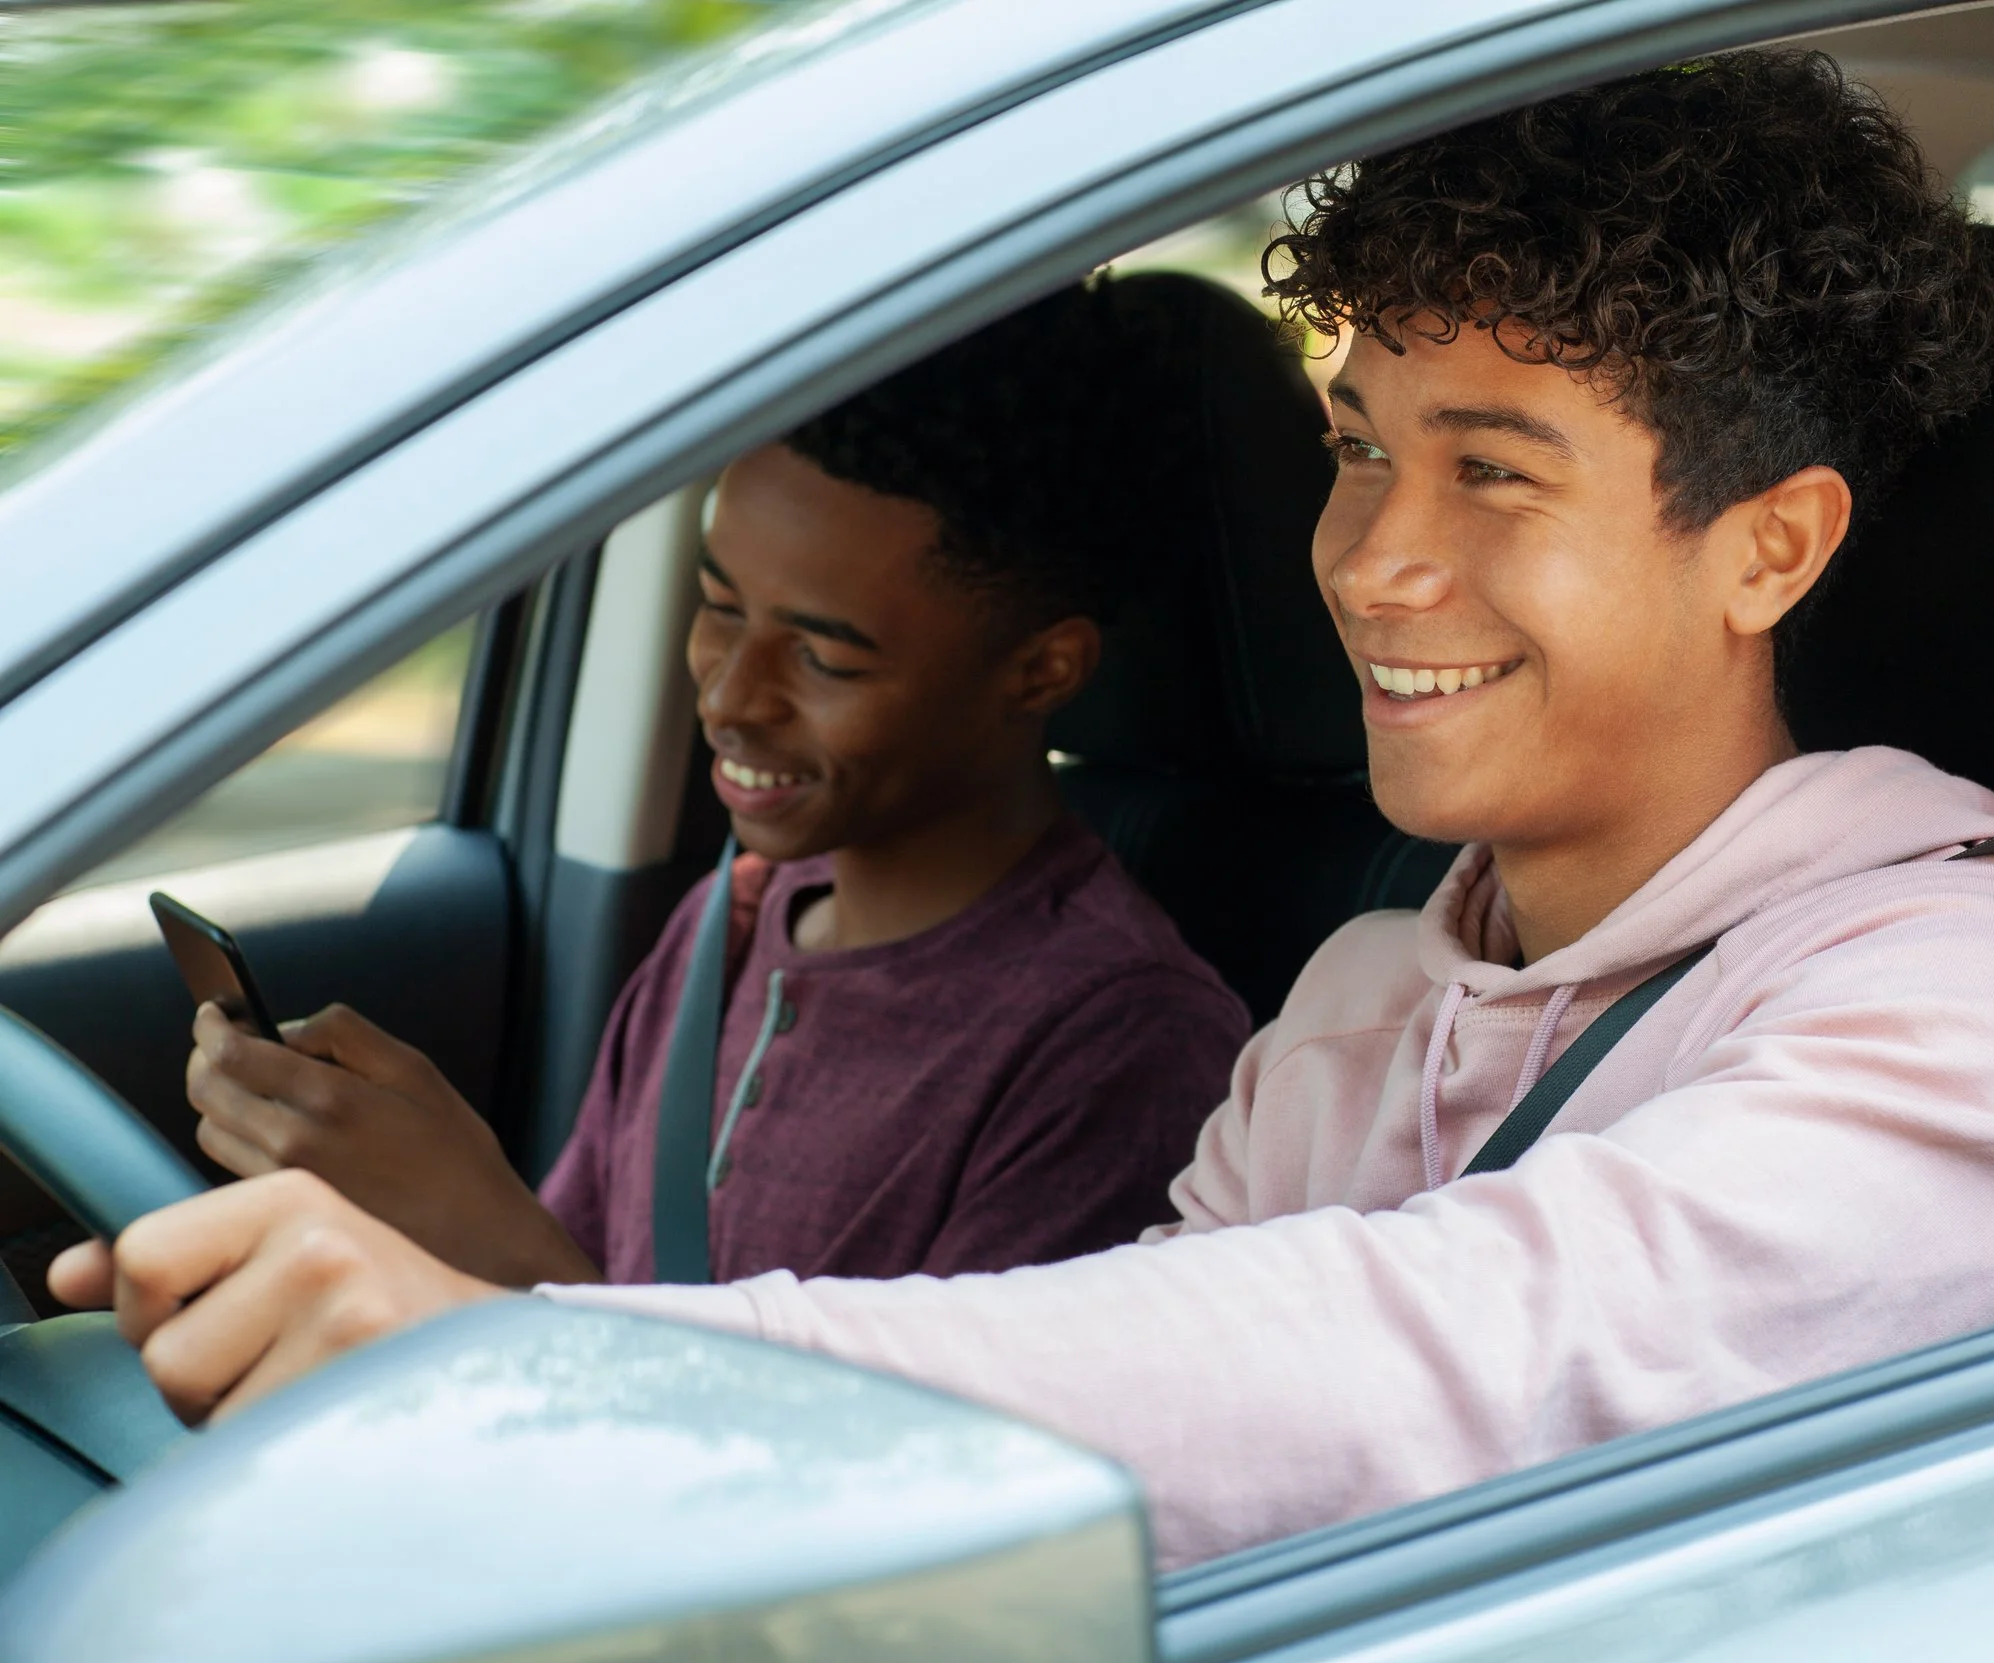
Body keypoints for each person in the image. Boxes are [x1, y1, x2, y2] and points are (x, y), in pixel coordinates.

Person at [56, 53, 1994, 1569]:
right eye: (1359, 443)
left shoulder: (1993, 989)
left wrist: (533, 1361)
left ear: (1766, 547)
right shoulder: (1360, 993)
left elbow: (1455, 1352)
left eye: (1490, 467)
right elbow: (1119, 1425)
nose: (1368, 553)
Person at [174, 278, 1254, 1289]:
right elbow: (574, 1287)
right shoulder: (721, 931)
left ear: (1039, 670)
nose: (733, 697)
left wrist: (473, 1218)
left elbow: (908, 1483)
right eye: (719, 605)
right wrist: (389, 1208)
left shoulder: (1117, 1049)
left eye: (824, 658)